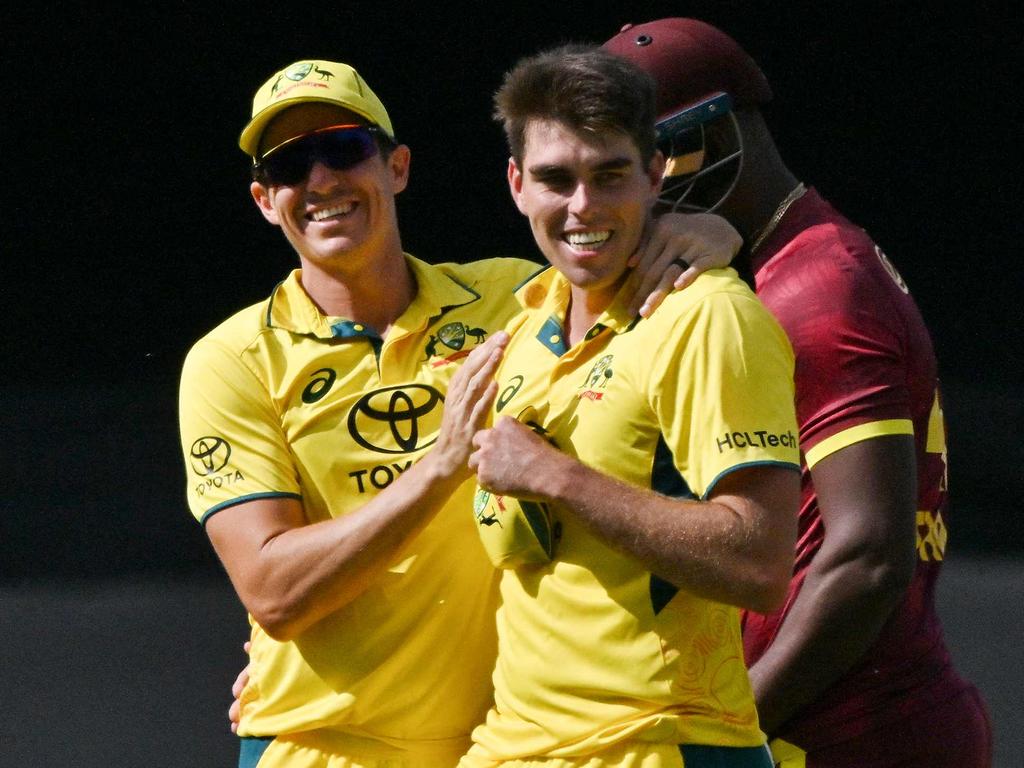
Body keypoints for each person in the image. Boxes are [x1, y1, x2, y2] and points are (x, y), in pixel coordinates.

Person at [179, 58, 739, 767]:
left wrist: (705, 235)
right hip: (323, 747)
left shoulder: (517, 299)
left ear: (398, 167)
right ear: (265, 199)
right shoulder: (231, 358)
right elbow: (275, 592)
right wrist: (439, 468)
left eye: (345, 148)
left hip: (504, 745)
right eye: (291, 165)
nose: (321, 180)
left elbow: (624, 249)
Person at [603, 18, 992, 766]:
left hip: (857, 737)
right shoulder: (785, 263)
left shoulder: (820, 287)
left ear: (708, 143)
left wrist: (734, 736)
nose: (624, 202)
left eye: (635, 169)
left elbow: (868, 557)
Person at [459, 44, 801, 767]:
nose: (582, 205)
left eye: (608, 174)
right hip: (512, 748)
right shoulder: (520, 328)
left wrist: (557, 478)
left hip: (659, 744)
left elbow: (763, 563)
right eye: (555, 178)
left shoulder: (707, 316)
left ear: (654, 175)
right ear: (517, 184)